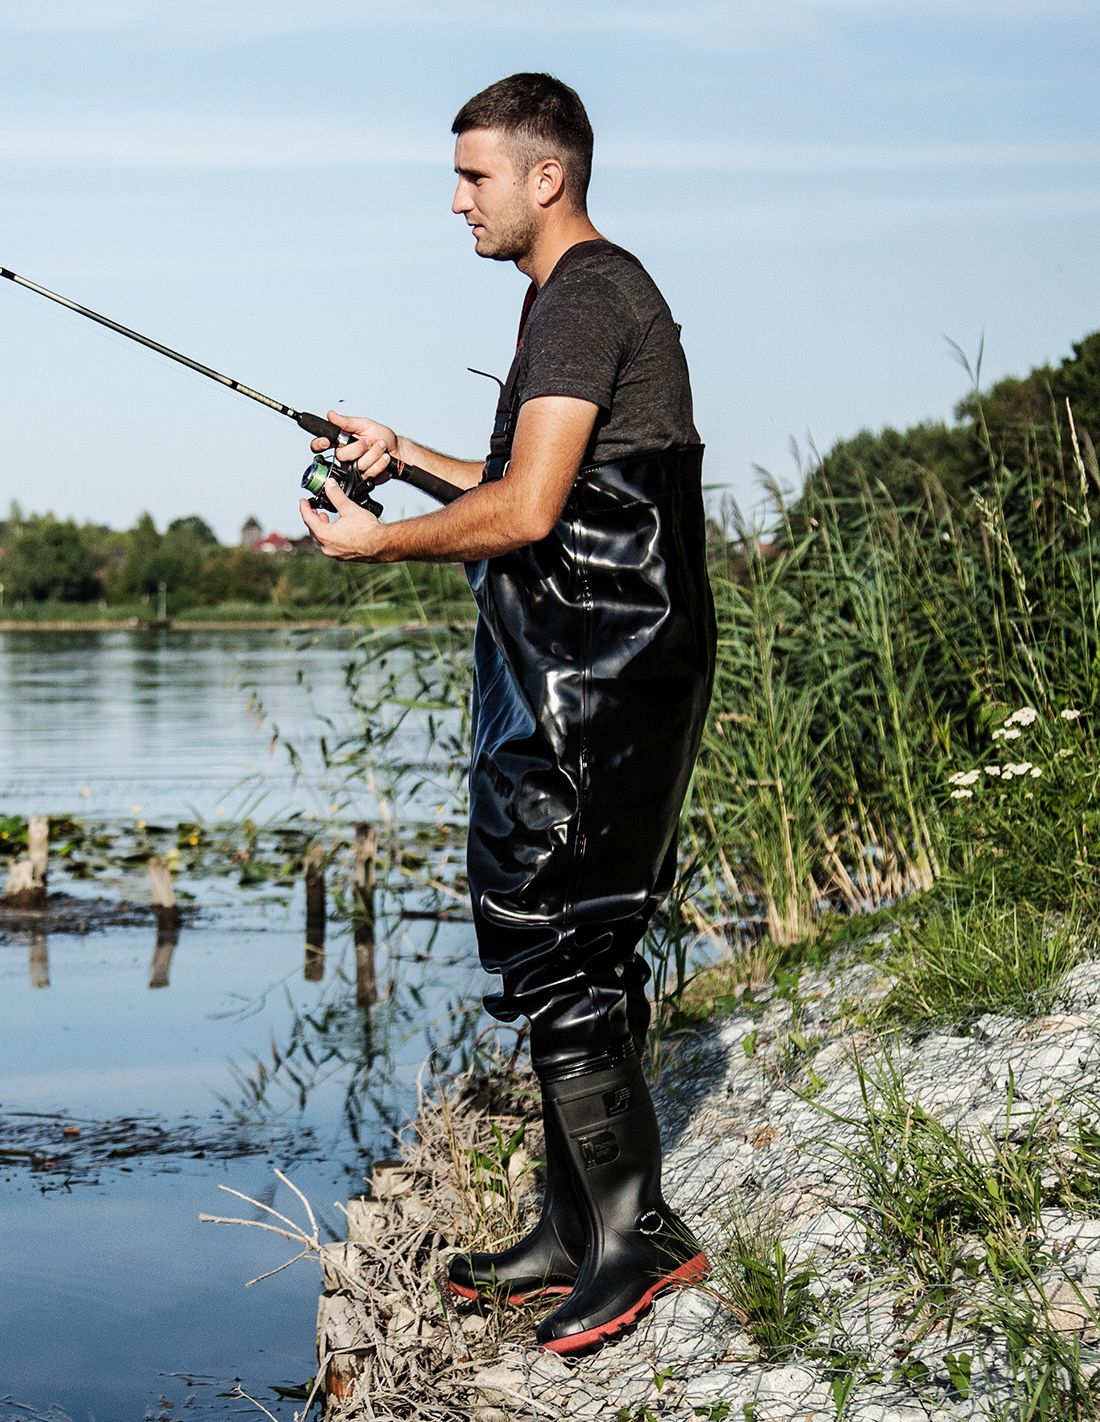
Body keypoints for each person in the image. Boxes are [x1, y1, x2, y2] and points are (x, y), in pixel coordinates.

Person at [300, 72, 716, 1356]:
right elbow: (538, 483)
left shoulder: (587, 292)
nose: (457, 200)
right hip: (580, 656)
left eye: (473, 175)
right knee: (563, 934)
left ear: (547, 175)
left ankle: (638, 1239)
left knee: (561, 937)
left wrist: (377, 544)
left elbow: (529, 513)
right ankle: (569, 1227)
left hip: (597, 663)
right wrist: (404, 455)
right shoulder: (563, 297)